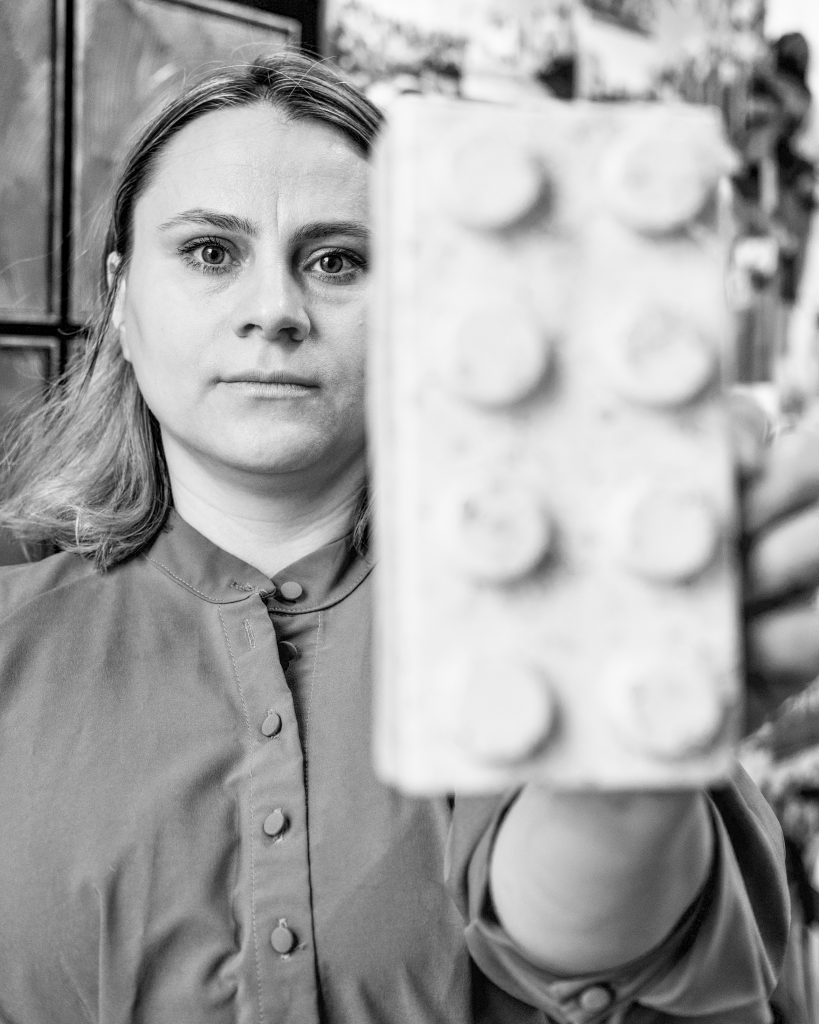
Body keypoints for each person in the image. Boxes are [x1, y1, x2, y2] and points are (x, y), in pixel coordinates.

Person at [0, 49, 816, 1024]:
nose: (273, 313)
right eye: (212, 253)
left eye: (338, 260)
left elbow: (597, 935)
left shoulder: (557, 619)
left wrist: (615, 773)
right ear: (124, 300)